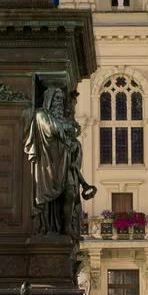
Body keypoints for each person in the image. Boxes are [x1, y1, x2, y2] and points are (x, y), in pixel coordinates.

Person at [25, 86, 96, 236]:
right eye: (56, 98)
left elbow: (74, 133)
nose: (59, 102)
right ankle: (46, 225)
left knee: (70, 193)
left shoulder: (62, 119)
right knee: (50, 198)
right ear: (49, 99)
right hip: (49, 165)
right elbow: (53, 129)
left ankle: (66, 226)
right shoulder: (41, 115)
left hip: (66, 163)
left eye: (61, 100)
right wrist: (68, 128)